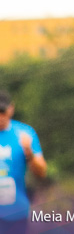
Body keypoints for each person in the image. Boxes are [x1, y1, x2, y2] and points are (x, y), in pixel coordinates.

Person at [0, 90, 47, 234]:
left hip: (16, 213)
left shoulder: (25, 133)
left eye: (2, 111)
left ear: (11, 108)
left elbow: (42, 172)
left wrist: (29, 154)